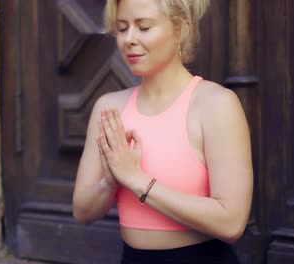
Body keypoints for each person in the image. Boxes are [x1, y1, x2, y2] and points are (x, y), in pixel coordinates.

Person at [72, 0, 253, 263]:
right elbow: (82, 210)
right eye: (122, 29)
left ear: (181, 29)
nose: (129, 39)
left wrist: (136, 179)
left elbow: (232, 222)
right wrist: (110, 181)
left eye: (143, 27)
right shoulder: (109, 107)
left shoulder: (215, 105)